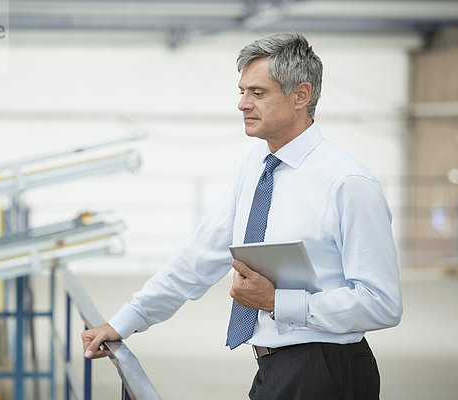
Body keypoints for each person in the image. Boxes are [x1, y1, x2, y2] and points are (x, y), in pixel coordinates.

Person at [82, 32, 402, 399]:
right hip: (274, 368)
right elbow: (200, 255)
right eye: (242, 91)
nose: (242, 104)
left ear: (301, 95)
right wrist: (126, 321)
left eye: (258, 93)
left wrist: (278, 302)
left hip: (328, 371)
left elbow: (382, 303)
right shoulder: (257, 166)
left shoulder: (348, 183)